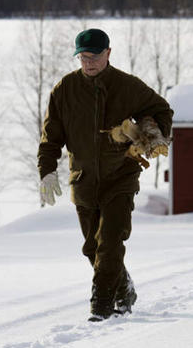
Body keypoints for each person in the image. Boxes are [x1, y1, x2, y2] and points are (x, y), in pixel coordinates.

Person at [37, 28, 173, 322]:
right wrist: (46, 171)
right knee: (92, 248)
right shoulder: (64, 90)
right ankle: (124, 289)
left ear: (108, 53)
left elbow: (162, 110)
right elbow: (51, 138)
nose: (88, 63)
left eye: (94, 57)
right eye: (83, 57)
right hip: (83, 179)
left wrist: (151, 134)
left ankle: (100, 307)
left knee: (110, 243)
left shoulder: (127, 86)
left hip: (120, 176)